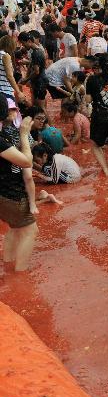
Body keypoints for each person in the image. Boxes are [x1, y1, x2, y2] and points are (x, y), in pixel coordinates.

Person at [0, 104, 37, 272]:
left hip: (3, 195)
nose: (15, 112)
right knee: (30, 230)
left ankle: (8, 263)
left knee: (14, 228)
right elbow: (26, 162)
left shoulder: (4, 134)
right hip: (11, 194)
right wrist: (24, 135)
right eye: (11, 109)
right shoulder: (2, 140)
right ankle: (20, 275)